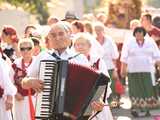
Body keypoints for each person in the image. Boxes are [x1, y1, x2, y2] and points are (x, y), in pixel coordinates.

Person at [21, 22, 90, 119]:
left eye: (61, 34)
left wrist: (96, 102)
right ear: (49, 39)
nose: (57, 38)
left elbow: (90, 87)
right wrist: (29, 81)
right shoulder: (43, 56)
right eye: (53, 35)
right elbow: (24, 82)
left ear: (70, 35)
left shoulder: (80, 59)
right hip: (47, 113)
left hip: (73, 114)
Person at [121, 27, 160, 117]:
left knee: (147, 89)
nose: (138, 35)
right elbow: (124, 56)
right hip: (133, 71)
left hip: (147, 70)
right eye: (137, 33)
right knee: (135, 90)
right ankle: (135, 109)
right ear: (134, 34)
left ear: (144, 34)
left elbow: (157, 56)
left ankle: (146, 109)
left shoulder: (150, 42)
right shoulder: (129, 42)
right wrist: (123, 69)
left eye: (140, 33)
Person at [73, 33, 113, 120]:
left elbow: (106, 81)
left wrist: (99, 97)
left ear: (89, 46)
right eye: (77, 44)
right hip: (78, 102)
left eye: (82, 44)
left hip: (97, 100)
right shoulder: (72, 61)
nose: (79, 47)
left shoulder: (97, 61)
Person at [94, 22, 120, 104]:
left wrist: (115, 69)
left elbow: (114, 56)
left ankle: (112, 103)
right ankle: (102, 102)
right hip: (97, 68)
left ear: (103, 30)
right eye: (96, 30)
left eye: (99, 30)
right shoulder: (93, 40)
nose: (97, 32)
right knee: (100, 87)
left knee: (110, 86)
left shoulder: (109, 40)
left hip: (109, 67)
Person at [12, 38, 36, 120]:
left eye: (28, 48)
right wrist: (15, 93)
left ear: (33, 49)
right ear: (19, 50)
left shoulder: (39, 62)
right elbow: (10, 82)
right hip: (20, 99)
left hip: (35, 99)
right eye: (22, 49)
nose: (25, 51)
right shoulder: (15, 64)